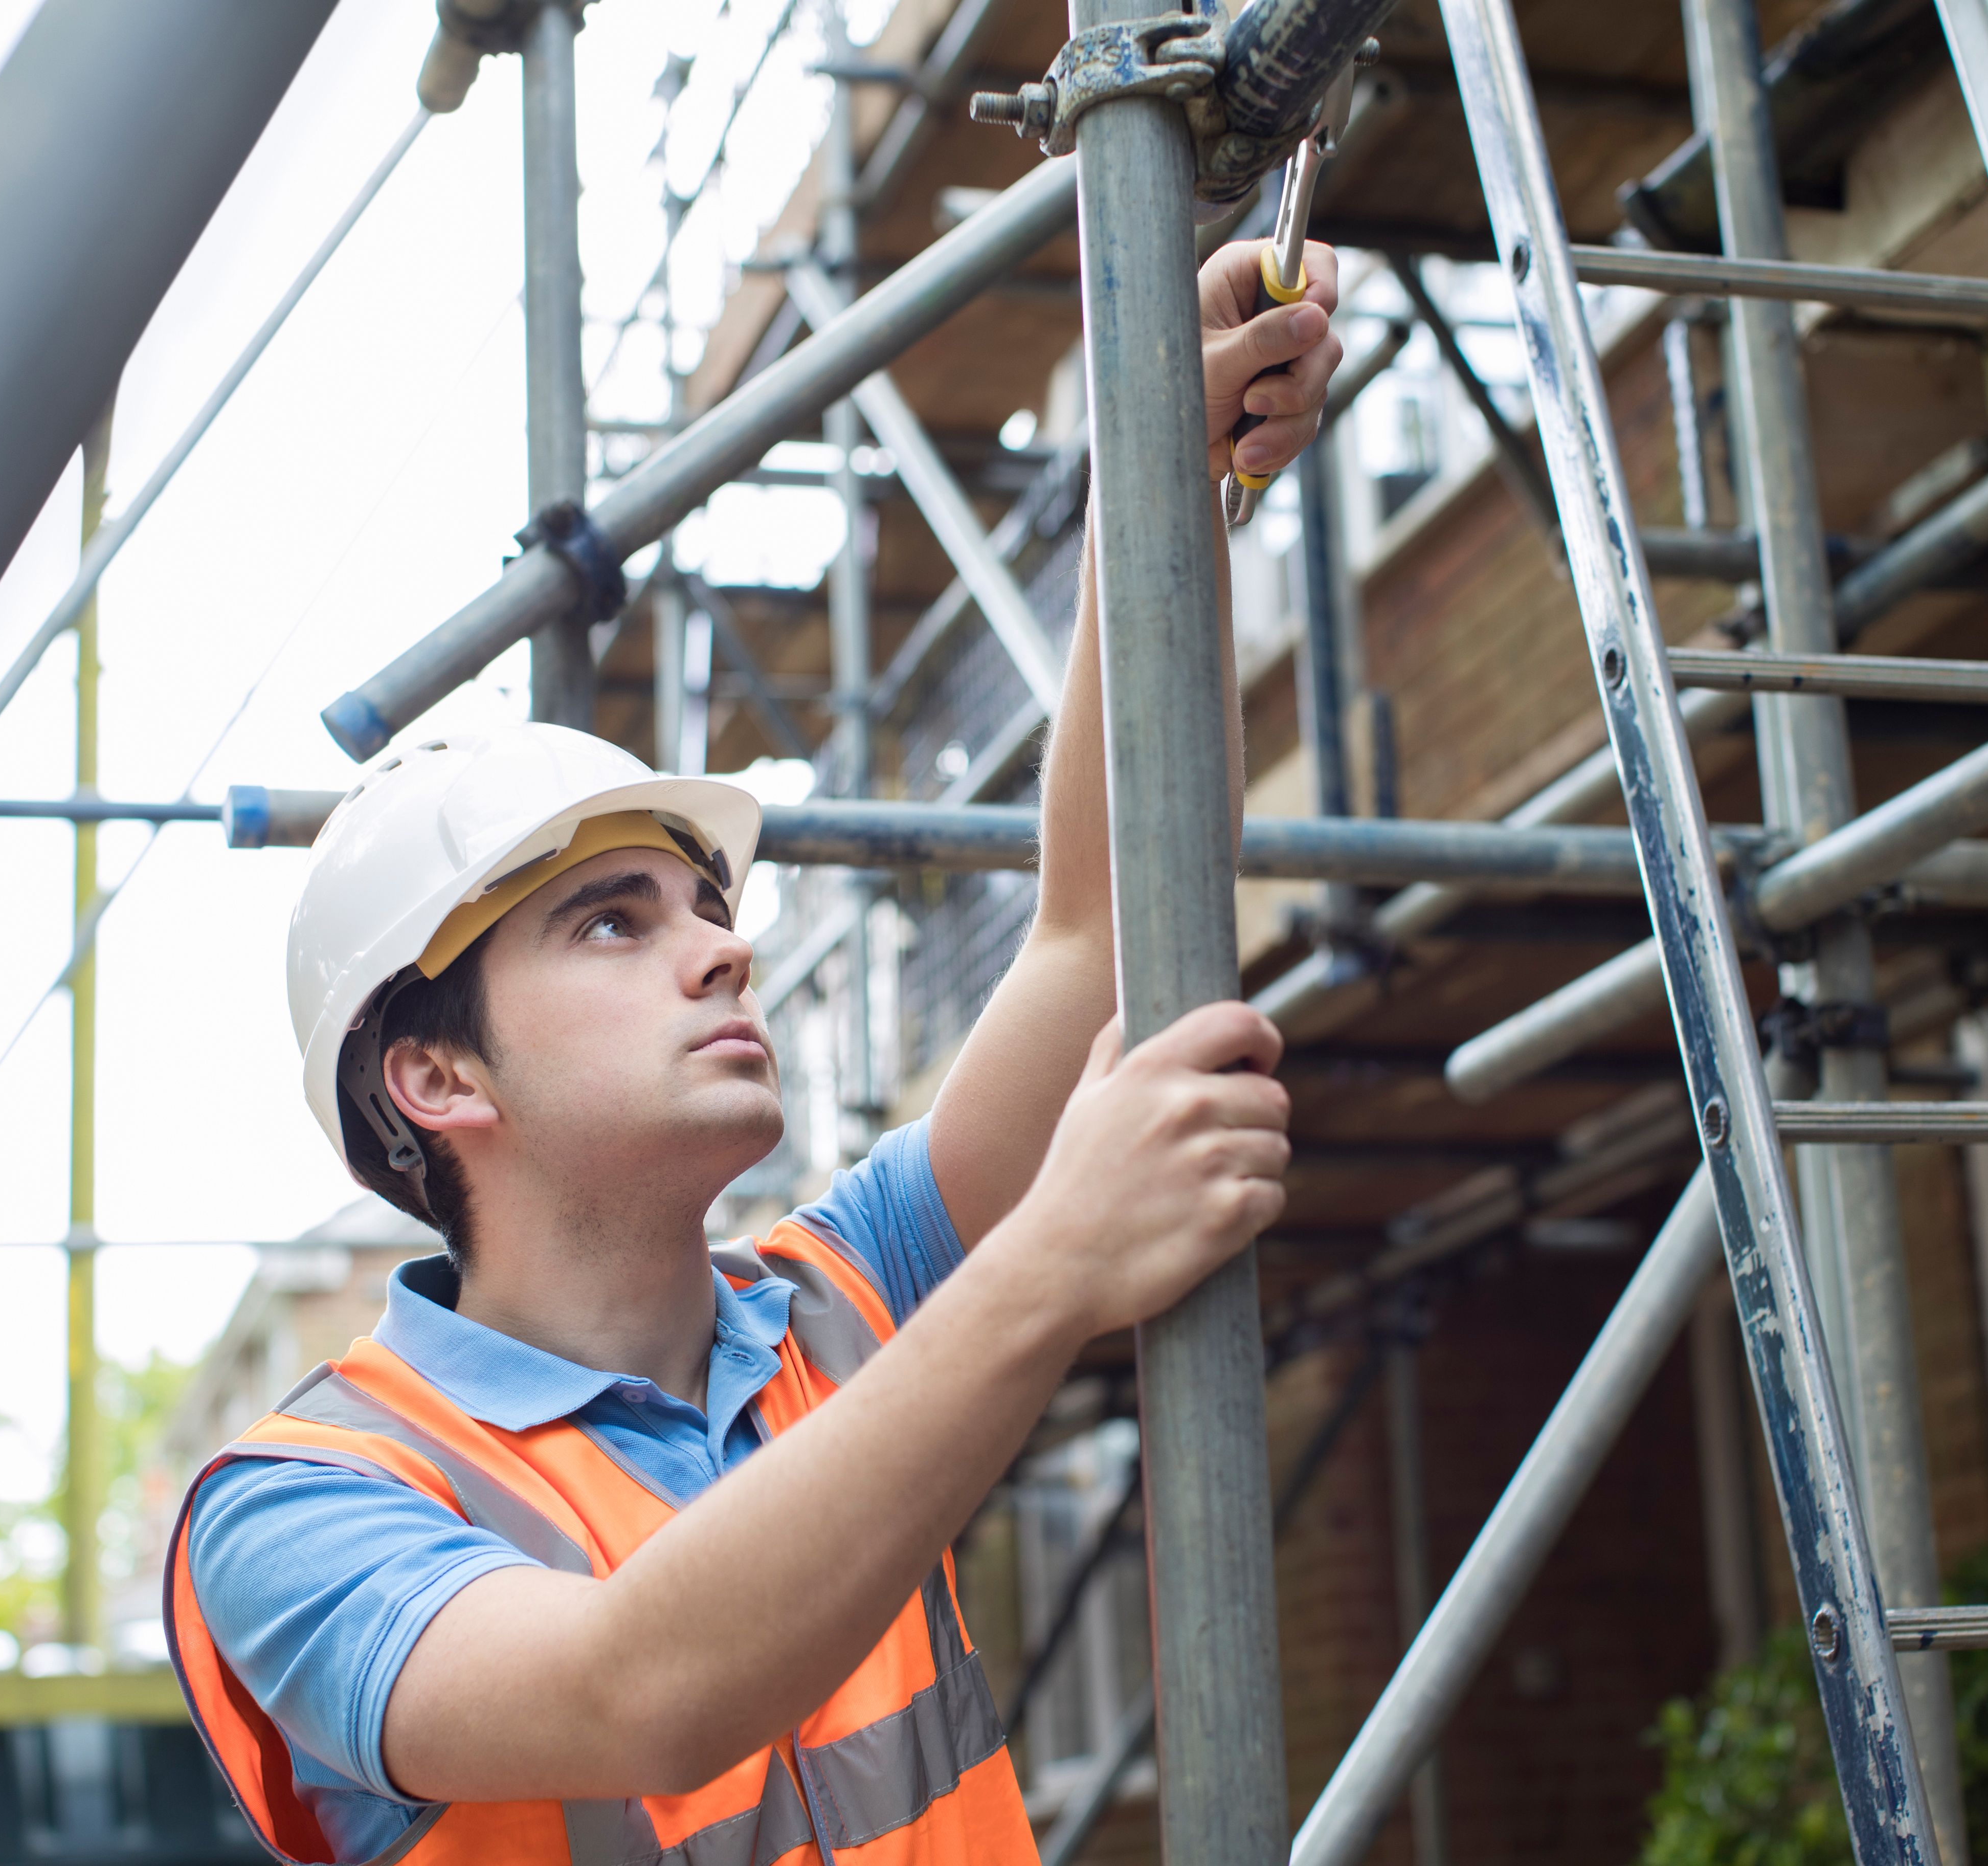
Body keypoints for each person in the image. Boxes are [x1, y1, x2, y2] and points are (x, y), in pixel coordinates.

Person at [167, 237, 1345, 1866]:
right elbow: (629, 1690)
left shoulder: (833, 1301)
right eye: (610, 924)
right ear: (438, 1079)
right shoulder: (302, 1503)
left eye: (704, 904)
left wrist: (1165, 480)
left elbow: (1105, 942)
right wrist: (1051, 1263)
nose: (726, 945)